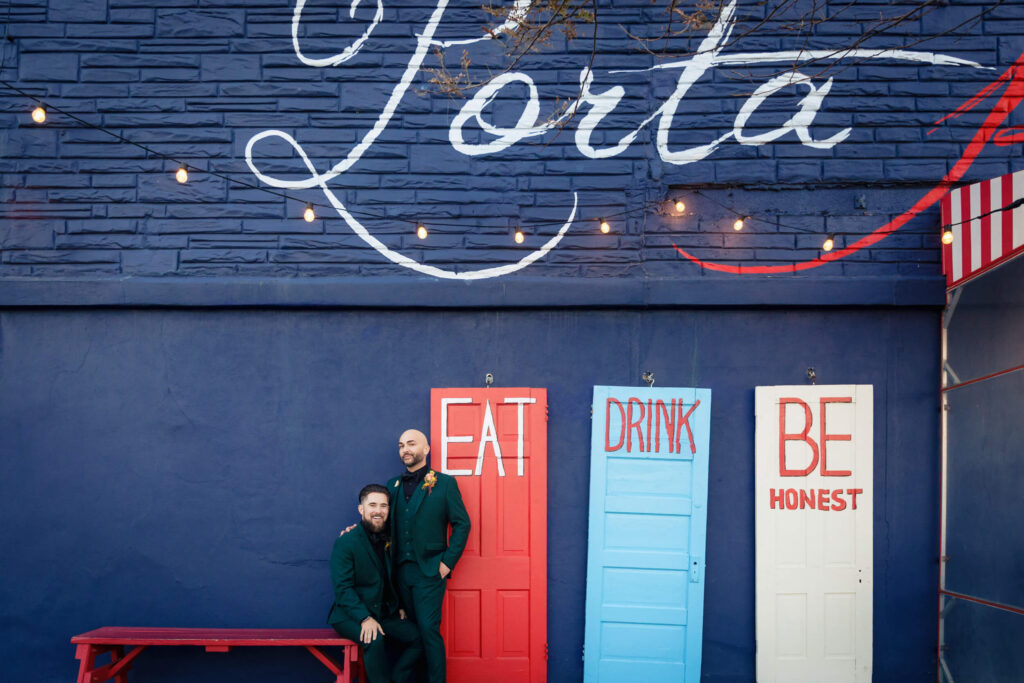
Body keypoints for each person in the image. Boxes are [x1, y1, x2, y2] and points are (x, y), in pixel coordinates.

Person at [387, 429, 471, 683]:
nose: (405, 449)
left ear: (426, 449)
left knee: (428, 630)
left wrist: (447, 563)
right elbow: (380, 521)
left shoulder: (445, 483)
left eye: (411, 444)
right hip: (400, 572)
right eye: (401, 445)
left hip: (430, 570)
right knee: (413, 633)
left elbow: (462, 524)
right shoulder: (392, 485)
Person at [329, 484, 422, 683]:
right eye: (372, 505)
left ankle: (397, 679)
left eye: (383, 506)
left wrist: (398, 605)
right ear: (361, 509)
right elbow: (343, 589)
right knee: (374, 639)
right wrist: (364, 618)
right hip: (350, 615)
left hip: (383, 612)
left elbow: (391, 577)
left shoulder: (390, 538)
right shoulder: (346, 542)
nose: (378, 511)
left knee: (419, 638)